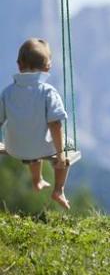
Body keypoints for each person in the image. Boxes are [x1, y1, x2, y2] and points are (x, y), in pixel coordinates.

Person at [0, 38, 70, 209]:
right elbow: (55, 124)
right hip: (40, 148)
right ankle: (58, 190)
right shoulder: (48, 92)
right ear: (48, 67)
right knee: (67, 145)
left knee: (30, 132)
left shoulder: (7, 92)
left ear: (19, 64)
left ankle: (37, 179)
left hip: (14, 148)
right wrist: (60, 154)